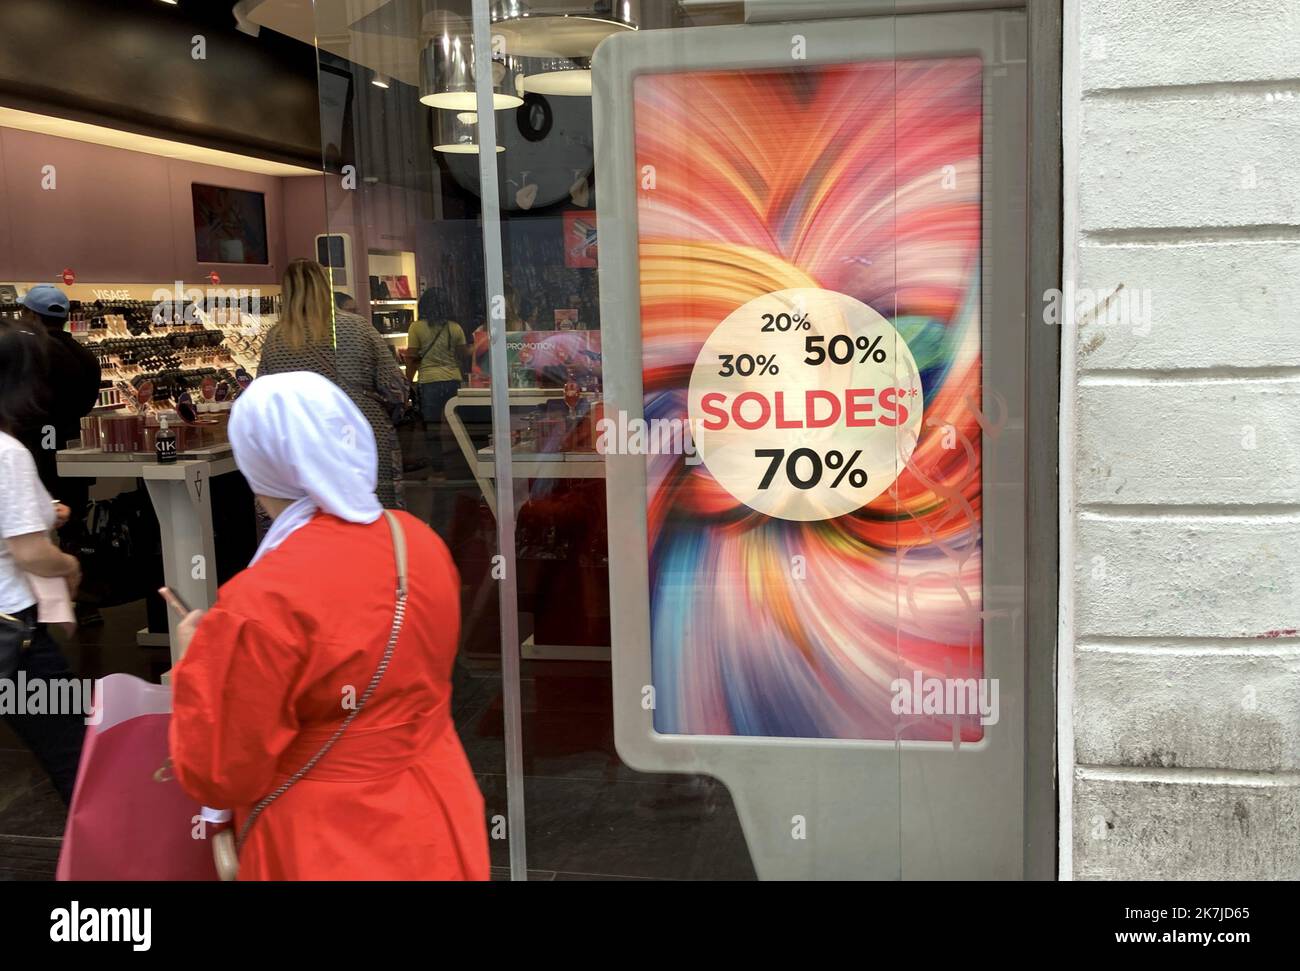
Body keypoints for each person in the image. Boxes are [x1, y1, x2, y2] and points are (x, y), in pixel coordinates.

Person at [167, 371, 488, 880]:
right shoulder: (416, 542)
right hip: (436, 806)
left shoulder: (259, 600)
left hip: (326, 837)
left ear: (257, 465)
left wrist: (196, 661)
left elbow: (220, 772)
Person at [0, 323, 85, 804]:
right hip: (17, 635)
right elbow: (29, 552)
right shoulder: (8, 454)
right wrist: (69, 567)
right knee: (73, 752)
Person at [259, 260, 405, 508]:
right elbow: (395, 388)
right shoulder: (357, 327)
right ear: (326, 287)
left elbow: (264, 403)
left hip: (305, 445)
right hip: (361, 435)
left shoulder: (275, 339)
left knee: (317, 523)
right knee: (372, 519)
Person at [14, 285, 101, 540]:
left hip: (36, 456)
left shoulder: (30, 353)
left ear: (32, 316)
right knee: (73, 524)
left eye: (23, 311)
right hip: (74, 452)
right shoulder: (86, 357)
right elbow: (86, 403)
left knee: (35, 532)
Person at [404, 287, 469, 479]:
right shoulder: (454, 327)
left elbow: (412, 358)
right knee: (458, 425)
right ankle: (467, 465)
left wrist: (408, 383)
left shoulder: (416, 328)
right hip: (452, 380)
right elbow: (463, 354)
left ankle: (438, 471)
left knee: (431, 428)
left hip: (429, 382)